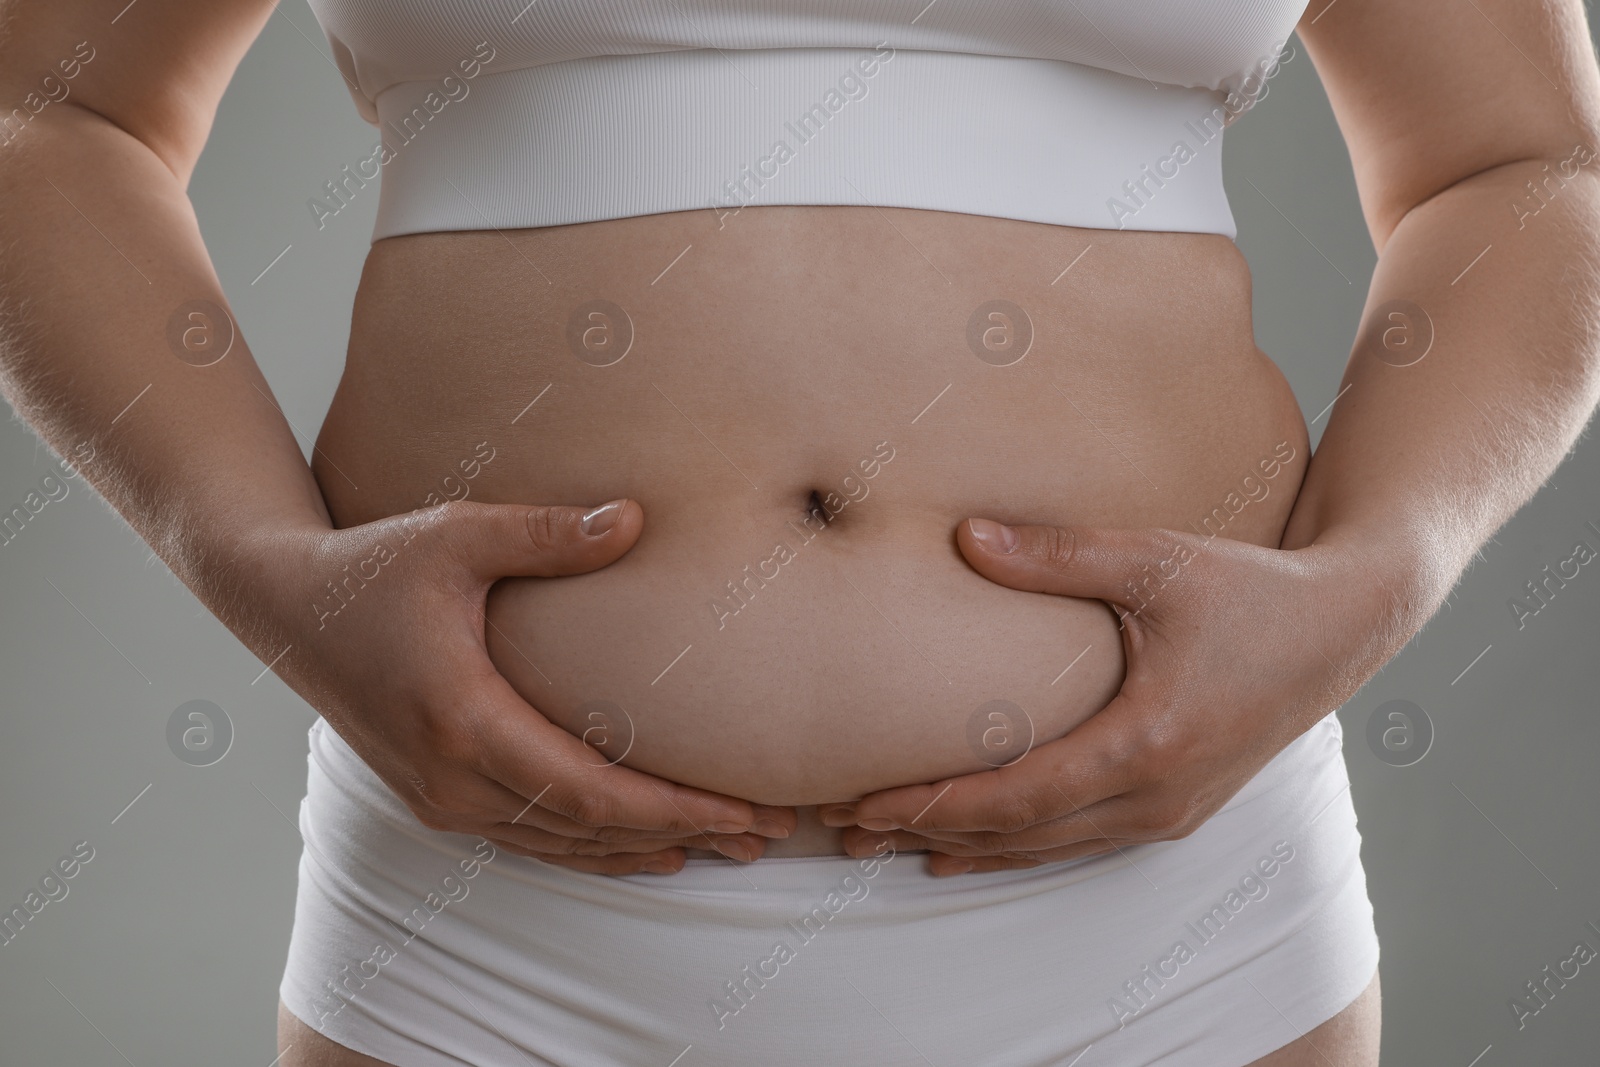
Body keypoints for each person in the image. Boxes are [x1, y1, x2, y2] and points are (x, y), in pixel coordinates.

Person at [2, 1, 1597, 1064]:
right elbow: (48, 117)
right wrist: (268, 576)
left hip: (1169, 933)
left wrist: (1369, 584)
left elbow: (1524, 165)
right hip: (489, 937)